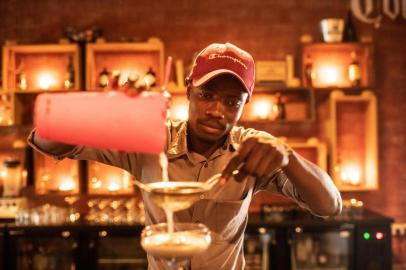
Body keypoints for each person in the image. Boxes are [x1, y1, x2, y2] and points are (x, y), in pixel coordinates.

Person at [27, 42, 342, 270]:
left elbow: (330, 206)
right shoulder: (149, 137)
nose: (217, 111)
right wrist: (105, 108)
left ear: (246, 103)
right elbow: (48, 141)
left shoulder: (251, 150)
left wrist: (287, 155)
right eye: (206, 95)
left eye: (232, 102)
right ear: (189, 88)